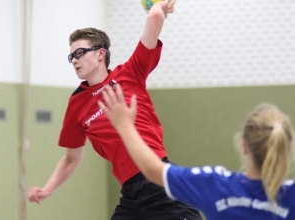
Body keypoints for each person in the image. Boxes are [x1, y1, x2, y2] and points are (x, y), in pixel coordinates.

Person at [28, 1, 203, 219]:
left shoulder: (130, 73)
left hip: (161, 182)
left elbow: (154, 19)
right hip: (131, 194)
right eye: (71, 56)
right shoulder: (76, 103)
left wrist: (158, 7)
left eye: (80, 52)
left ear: (101, 54)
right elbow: (71, 159)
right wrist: (47, 189)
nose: (74, 60)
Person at [98, 84, 295, 220]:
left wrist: (124, 126)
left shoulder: (217, 184)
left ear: (244, 146)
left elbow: (153, 170)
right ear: (287, 149)